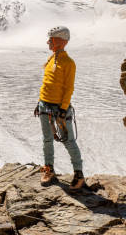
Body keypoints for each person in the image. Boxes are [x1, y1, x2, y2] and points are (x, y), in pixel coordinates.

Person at [34, 26, 84, 190]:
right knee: (47, 139)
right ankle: (48, 169)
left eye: (51, 39)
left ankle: (79, 174)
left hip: (58, 108)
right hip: (45, 106)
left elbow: (68, 88)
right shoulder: (51, 59)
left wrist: (63, 109)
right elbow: (46, 83)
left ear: (58, 41)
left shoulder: (68, 63)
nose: (48, 42)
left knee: (68, 140)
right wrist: (39, 102)